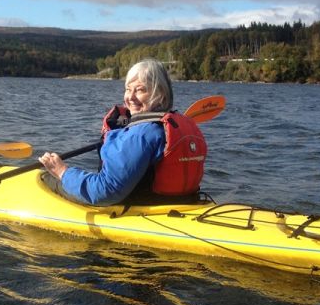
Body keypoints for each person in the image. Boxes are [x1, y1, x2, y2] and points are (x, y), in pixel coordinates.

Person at [38, 58, 206, 206]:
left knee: (45, 178)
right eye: (127, 89)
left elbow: (105, 191)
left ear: (160, 95)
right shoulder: (171, 124)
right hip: (182, 202)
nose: (130, 97)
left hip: (140, 205)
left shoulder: (141, 134)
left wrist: (62, 172)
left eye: (140, 90)